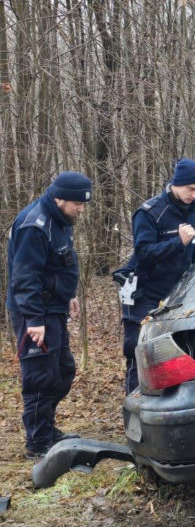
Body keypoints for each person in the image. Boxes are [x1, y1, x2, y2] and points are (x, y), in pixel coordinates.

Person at [6, 171, 92, 459]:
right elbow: (24, 277)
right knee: (40, 378)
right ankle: (38, 442)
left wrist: (69, 296)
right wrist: (34, 321)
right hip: (35, 313)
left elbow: (60, 264)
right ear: (60, 198)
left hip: (53, 309)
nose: (81, 209)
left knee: (64, 370)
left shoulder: (60, 220)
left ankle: (44, 426)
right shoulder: (35, 225)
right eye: (77, 204)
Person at [120, 158, 195, 393]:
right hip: (142, 292)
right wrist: (177, 242)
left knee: (173, 352)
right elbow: (144, 254)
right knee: (139, 351)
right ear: (176, 184)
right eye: (191, 189)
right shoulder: (149, 213)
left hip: (176, 294)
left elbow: (191, 253)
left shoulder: (194, 212)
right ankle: (136, 413)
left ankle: (166, 410)